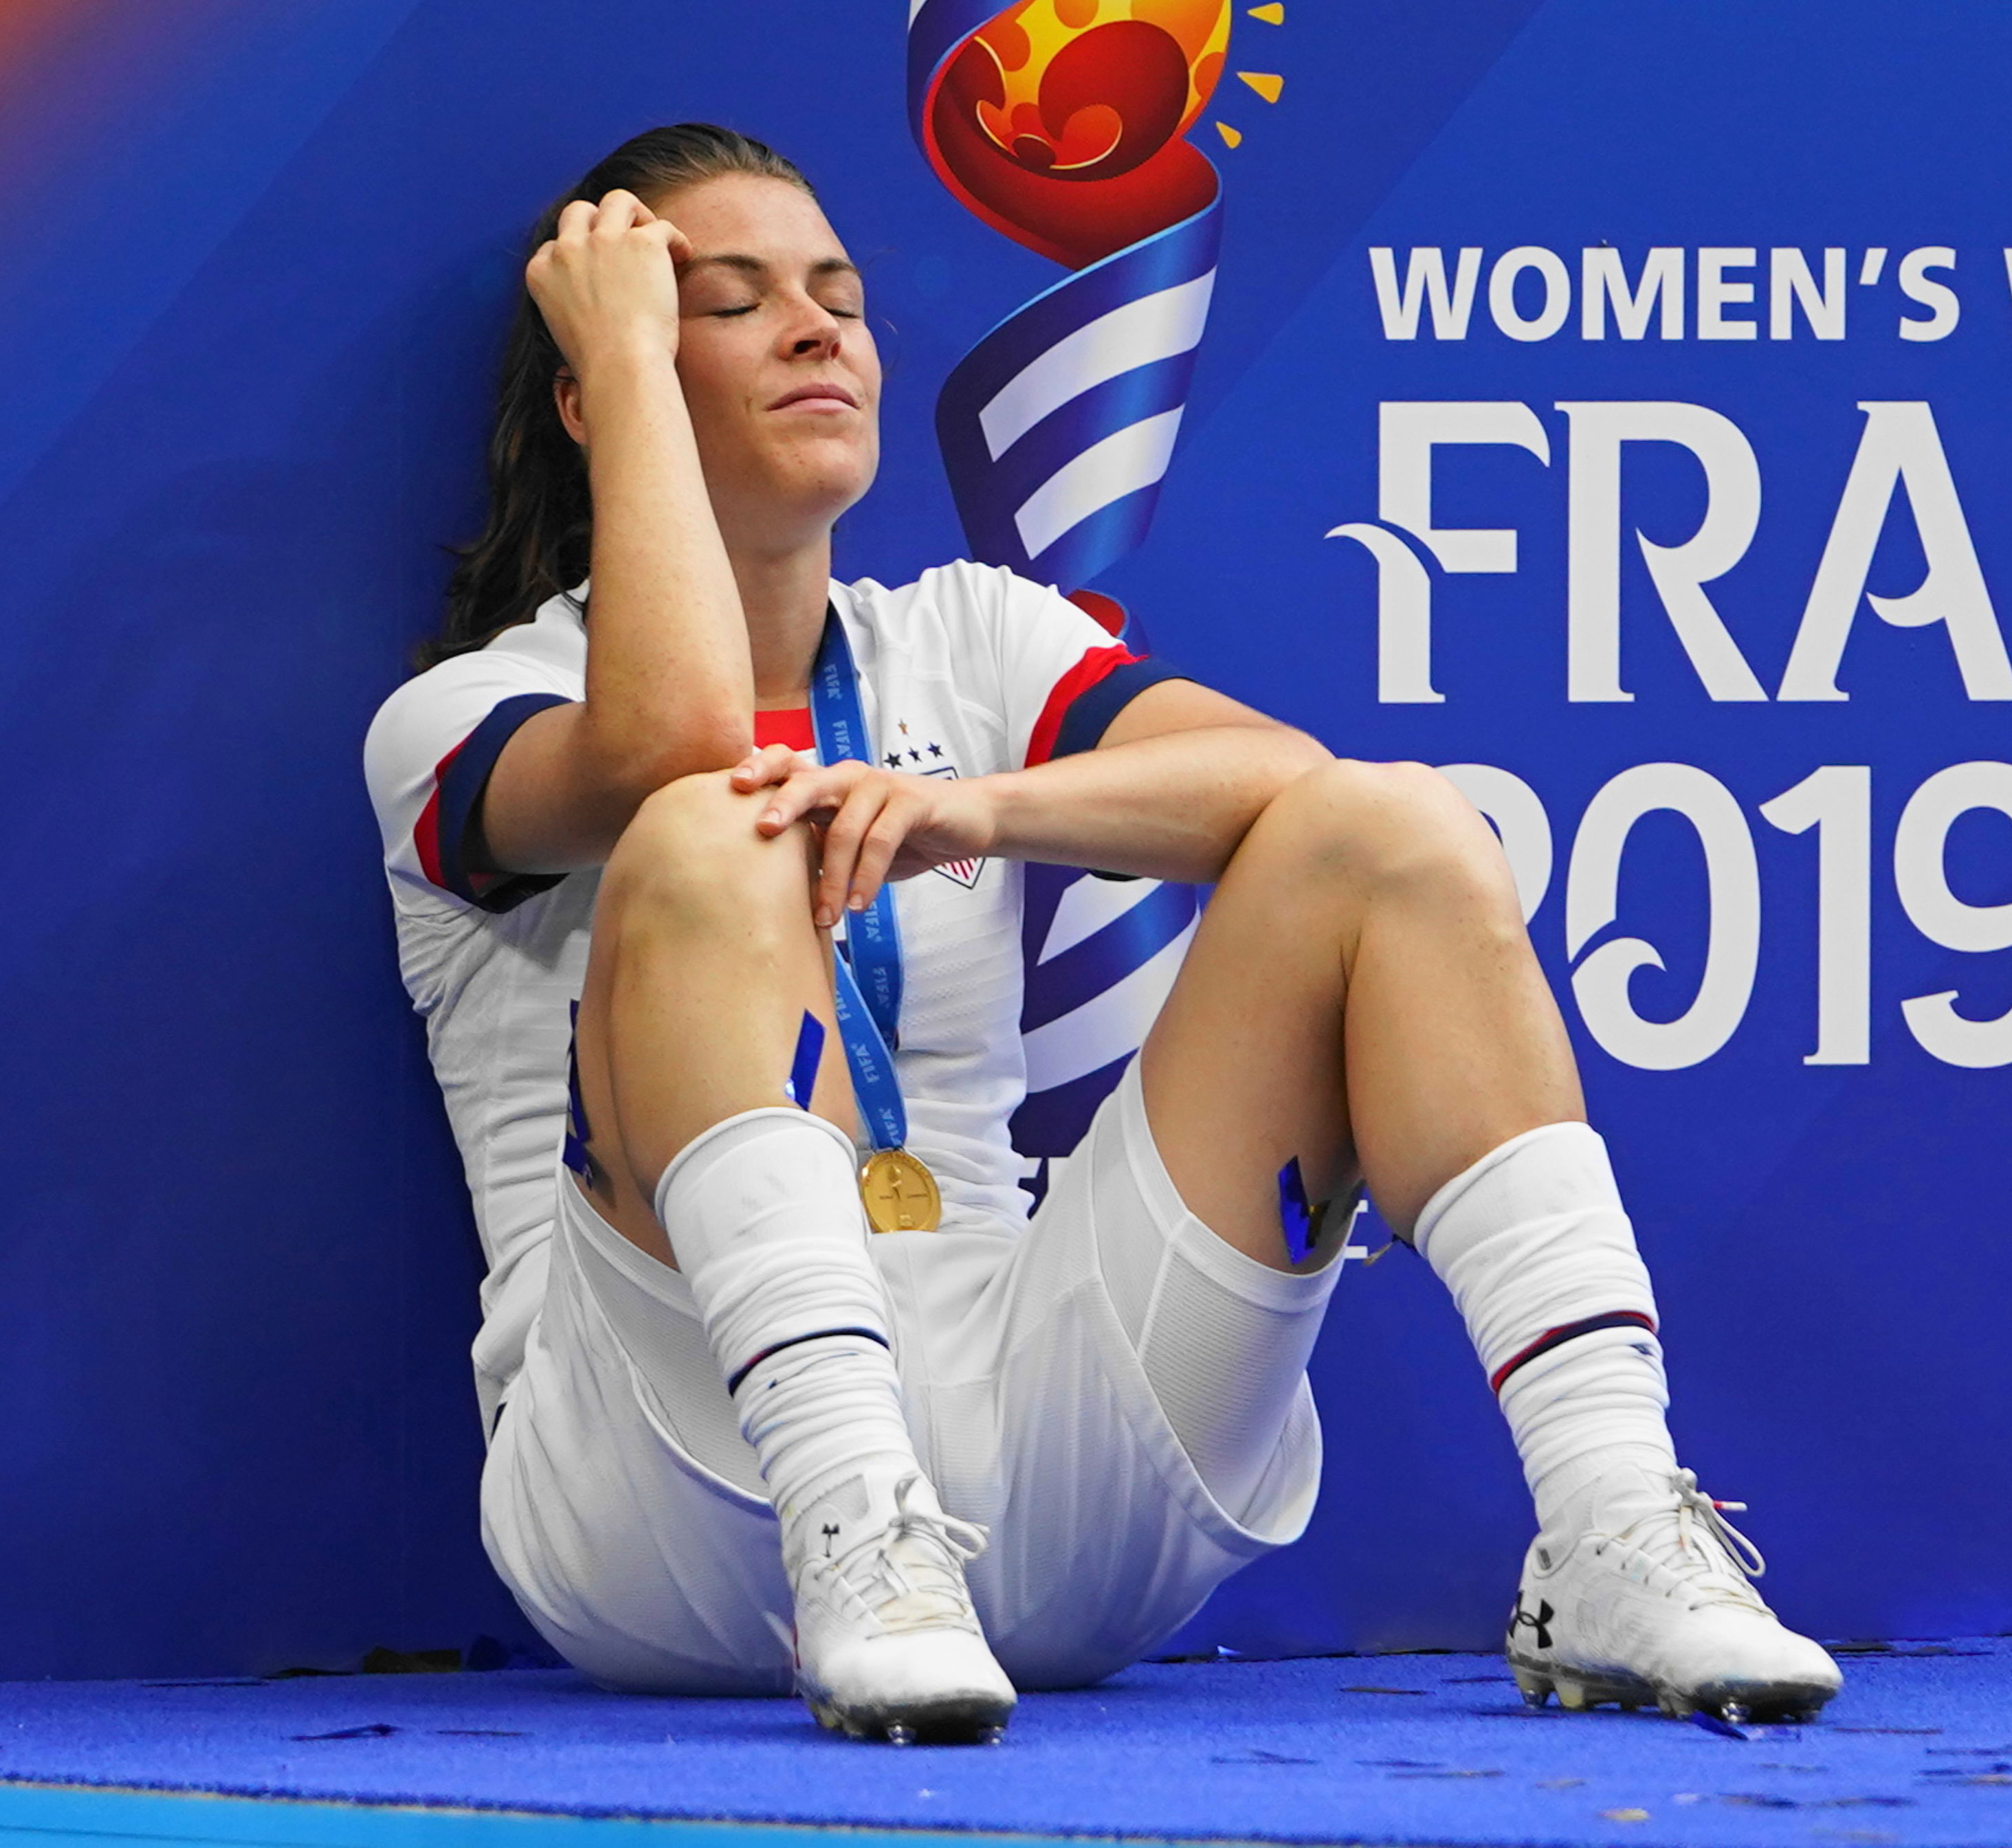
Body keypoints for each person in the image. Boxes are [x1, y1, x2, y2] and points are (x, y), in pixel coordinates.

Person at [364, 123, 1839, 1744]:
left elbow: (1294, 785)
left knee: (1397, 826)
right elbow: (677, 746)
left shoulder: (971, 634)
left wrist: (982, 809)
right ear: (601, 383)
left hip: (1045, 1493)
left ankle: (1617, 1517)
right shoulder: (464, 714)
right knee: (716, 822)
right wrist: (624, 361)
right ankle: (852, 1519)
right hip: (671, 1505)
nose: (817, 330)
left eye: (840, 297)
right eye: (726, 304)